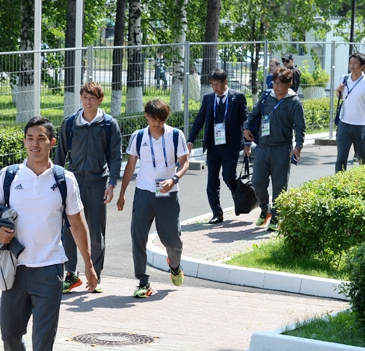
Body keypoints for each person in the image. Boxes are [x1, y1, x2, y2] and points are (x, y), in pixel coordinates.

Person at [0, 116, 97, 351]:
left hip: (50, 269)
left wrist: (88, 265)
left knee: (43, 338)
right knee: (9, 334)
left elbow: (77, 224)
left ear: (52, 142)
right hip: (16, 268)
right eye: (30, 138)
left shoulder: (64, 179)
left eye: (41, 138)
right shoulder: (10, 176)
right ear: (24, 142)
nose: (35, 143)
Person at [117, 99, 189, 298]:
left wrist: (173, 180)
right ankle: (143, 281)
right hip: (144, 194)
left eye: (162, 119)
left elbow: (184, 163)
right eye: (154, 119)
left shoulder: (176, 135)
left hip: (168, 194)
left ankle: (174, 266)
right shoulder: (138, 137)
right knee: (138, 237)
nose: (158, 123)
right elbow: (130, 167)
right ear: (146, 116)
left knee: (172, 240)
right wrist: (122, 194)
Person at [54, 81, 121, 295]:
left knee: (95, 232)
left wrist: (111, 184)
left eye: (92, 97)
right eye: (85, 97)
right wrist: (56, 183)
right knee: (69, 228)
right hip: (73, 183)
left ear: (100, 99)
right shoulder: (70, 123)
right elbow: (59, 156)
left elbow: (115, 157)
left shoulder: (109, 125)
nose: (88, 101)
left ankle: (96, 275)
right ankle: (71, 274)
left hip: (97, 184)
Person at [243, 68, 305, 231]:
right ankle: (265, 210)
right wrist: (246, 128)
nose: (276, 86)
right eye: (274, 83)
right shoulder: (266, 97)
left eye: (280, 83)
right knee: (257, 181)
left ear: (289, 84)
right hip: (262, 147)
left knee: (279, 186)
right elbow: (253, 115)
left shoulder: (295, 102)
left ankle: (276, 217)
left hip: (282, 149)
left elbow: (300, 127)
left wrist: (298, 147)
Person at [187, 68, 248, 224]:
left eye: (218, 84)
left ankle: (239, 197)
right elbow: (199, 121)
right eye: (212, 84)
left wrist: (247, 144)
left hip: (231, 146)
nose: (215, 88)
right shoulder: (208, 99)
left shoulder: (238, 97)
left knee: (229, 177)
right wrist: (190, 141)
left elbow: (245, 121)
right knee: (211, 182)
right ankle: (217, 213)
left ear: (225, 82)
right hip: (213, 146)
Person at [333, 52, 365, 172]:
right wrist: (338, 91)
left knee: (363, 159)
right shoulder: (344, 78)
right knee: (341, 158)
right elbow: (341, 97)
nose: (352, 66)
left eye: (355, 63)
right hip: (344, 124)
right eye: (350, 63)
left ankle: (363, 184)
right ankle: (338, 184)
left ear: (363, 66)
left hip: (362, 126)